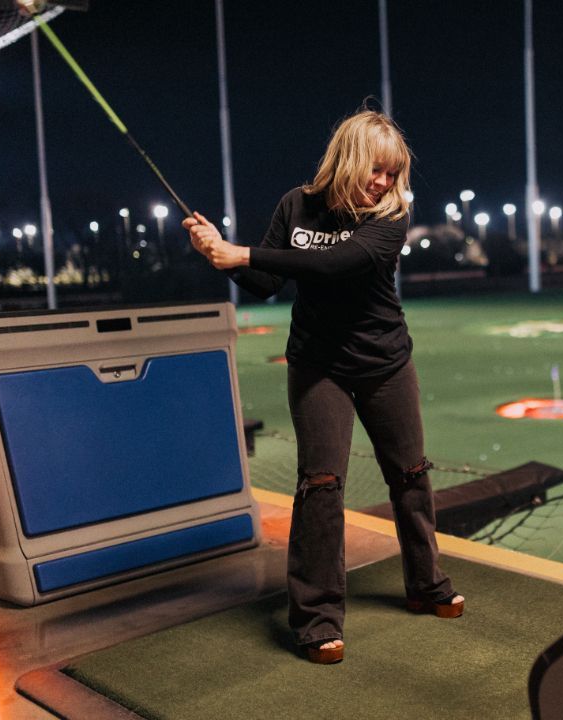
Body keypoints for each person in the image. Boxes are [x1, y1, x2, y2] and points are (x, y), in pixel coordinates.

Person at [183, 109, 462, 665]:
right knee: (321, 484)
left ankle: (425, 583)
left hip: (384, 363)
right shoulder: (297, 205)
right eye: (376, 170)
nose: (384, 183)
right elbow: (264, 283)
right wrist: (220, 252)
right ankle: (316, 619)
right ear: (349, 159)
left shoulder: (392, 215)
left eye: (392, 173)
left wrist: (243, 252)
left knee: (409, 475)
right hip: (318, 366)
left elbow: (340, 264)